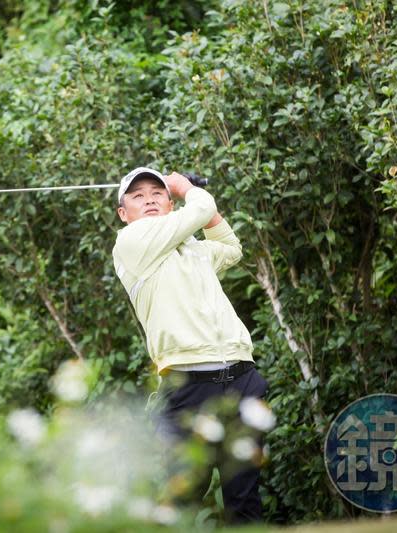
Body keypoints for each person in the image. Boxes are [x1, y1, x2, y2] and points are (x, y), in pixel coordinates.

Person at [112, 166, 269, 524]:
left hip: (241, 376)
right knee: (184, 495)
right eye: (138, 196)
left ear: (167, 204)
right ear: (124, 214)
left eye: (157, 193)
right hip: (188, 385)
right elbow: (197, 210)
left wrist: (202, 206)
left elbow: (231, 248)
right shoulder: (132, 244)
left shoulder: (194, 251)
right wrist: (185, 188)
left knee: (244, 493)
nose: (149, 199)